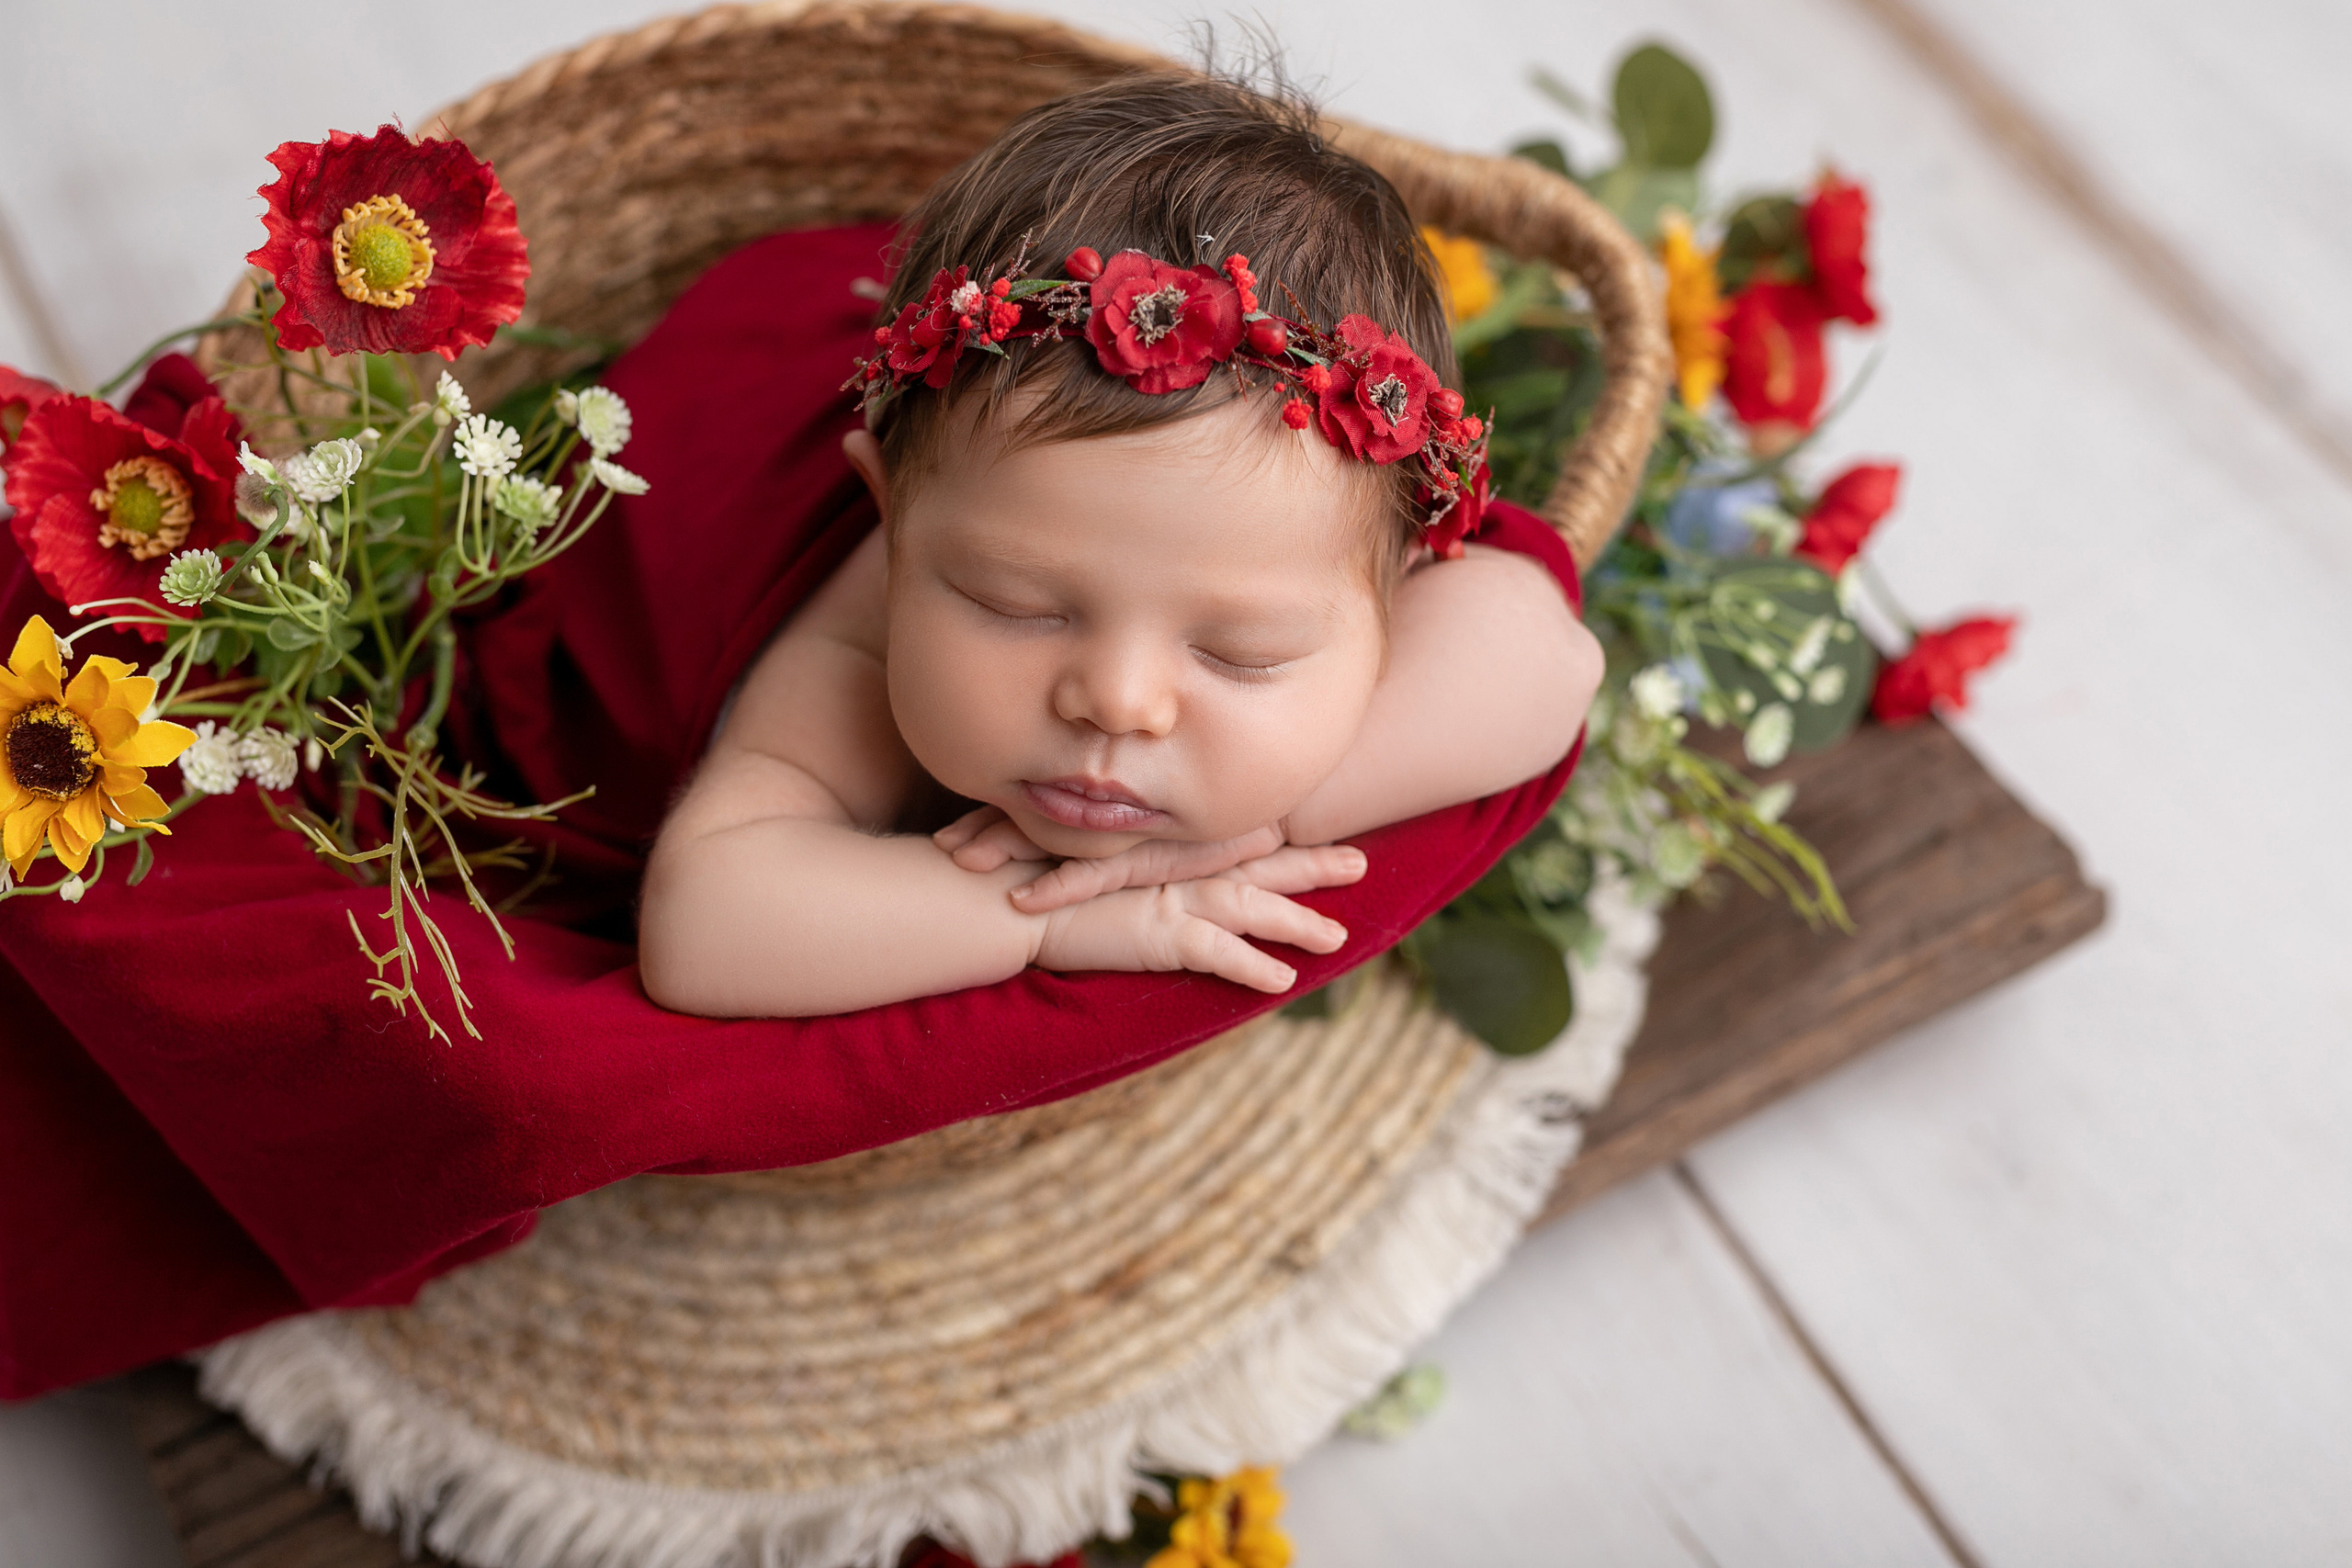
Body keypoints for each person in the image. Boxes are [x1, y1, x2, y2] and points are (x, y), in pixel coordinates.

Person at [639, 73, 1602, 1018]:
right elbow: (703, 923)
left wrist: (1261, 825)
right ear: (889, 520)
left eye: (1241, 652)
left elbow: (1550, 657)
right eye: (1018, 606)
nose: (1118, 702)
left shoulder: (1323, 550)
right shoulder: (860, 644)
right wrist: (1039, 922)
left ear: (1397, 589)